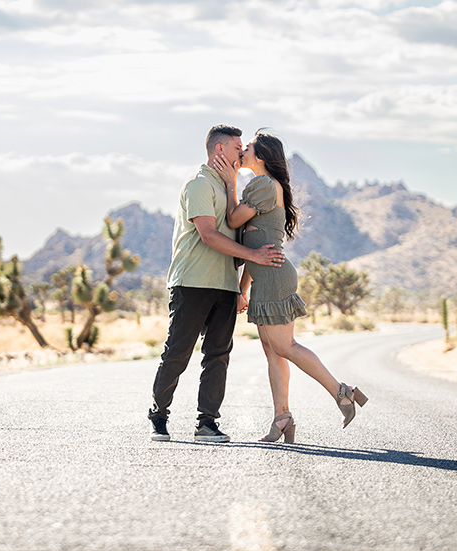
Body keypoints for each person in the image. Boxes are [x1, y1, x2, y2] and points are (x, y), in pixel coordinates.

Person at [212, 131, 368, 443]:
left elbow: (232, 221)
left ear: (262, 157)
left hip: (274, 278)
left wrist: (230, 183)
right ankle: (282, 417)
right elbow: (258, 247)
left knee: (284, 346)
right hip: (264, 278)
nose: (242, 151)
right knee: (273, 351)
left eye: (249, 148)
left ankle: (343, 393)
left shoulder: (265, 185)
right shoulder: (263, 185)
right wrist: (244, 289)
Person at [148, 125, 286, 443]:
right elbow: (208, 235)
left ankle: (206, 423)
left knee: (218, 355)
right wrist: (253, 254)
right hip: (192, 283)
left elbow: (242, 228)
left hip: (225, 285)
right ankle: (159, 413)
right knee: (178, 352)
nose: (243, 151)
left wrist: (241, 286)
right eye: (239, 147)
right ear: (220, 150)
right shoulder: (198, 185)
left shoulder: (228, 188)